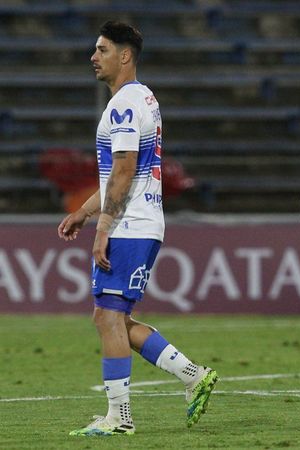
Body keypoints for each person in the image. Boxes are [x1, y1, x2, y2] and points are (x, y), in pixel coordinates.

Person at [57, 21, 218, 436]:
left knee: (108, 316)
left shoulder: (125, 104)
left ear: (124, 55)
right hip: (138, 221)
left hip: (130, 225)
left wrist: (102, 227)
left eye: (102, 49)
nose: (94, 57)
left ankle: (120, 418)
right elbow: (120, 173)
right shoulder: (142, 96)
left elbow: (126, 169)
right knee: (111, 316)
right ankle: (192, 375)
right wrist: (85, 213)